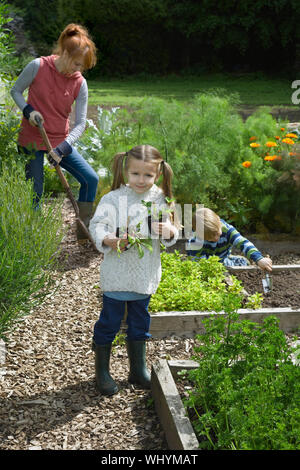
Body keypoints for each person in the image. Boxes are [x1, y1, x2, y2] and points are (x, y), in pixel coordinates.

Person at [89, 144, 179, 396]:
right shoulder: (113, 199)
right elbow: (97, 225)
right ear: (126, 171)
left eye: (148, 175)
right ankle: (102, 372)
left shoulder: (160, 199)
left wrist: (169, 231)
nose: (141, 180)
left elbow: (170, 228)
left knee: (140, 323)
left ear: (158, 174)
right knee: (109, 322)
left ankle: (137, 370)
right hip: (117, 276)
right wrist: (109, 239)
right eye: (136, 174)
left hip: (143, 275)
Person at [10, 23, 99, 240]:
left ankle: (83, 232)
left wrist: (63, 148)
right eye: (77, 63)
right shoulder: (37, 66)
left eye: (82, 67)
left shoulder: (80, 82)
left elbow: (80, 124)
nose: (78, 69)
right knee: (35, 192)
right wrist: (28, 110)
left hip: (60, 141)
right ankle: (34, 239)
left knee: (91, 179)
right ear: (65, 53)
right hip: (32, 138)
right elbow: (16, 91)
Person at [186, 207, 273, 271]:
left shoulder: (227, 230)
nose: (216, 239)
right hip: (206, 262)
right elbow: (199, 263)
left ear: (219, 220)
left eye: (217, 233)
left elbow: (243, 243)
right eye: (210, 239)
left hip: (223, 258)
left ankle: (234, 259)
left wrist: (259, 259)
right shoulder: (195, 241)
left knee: (243, 265)